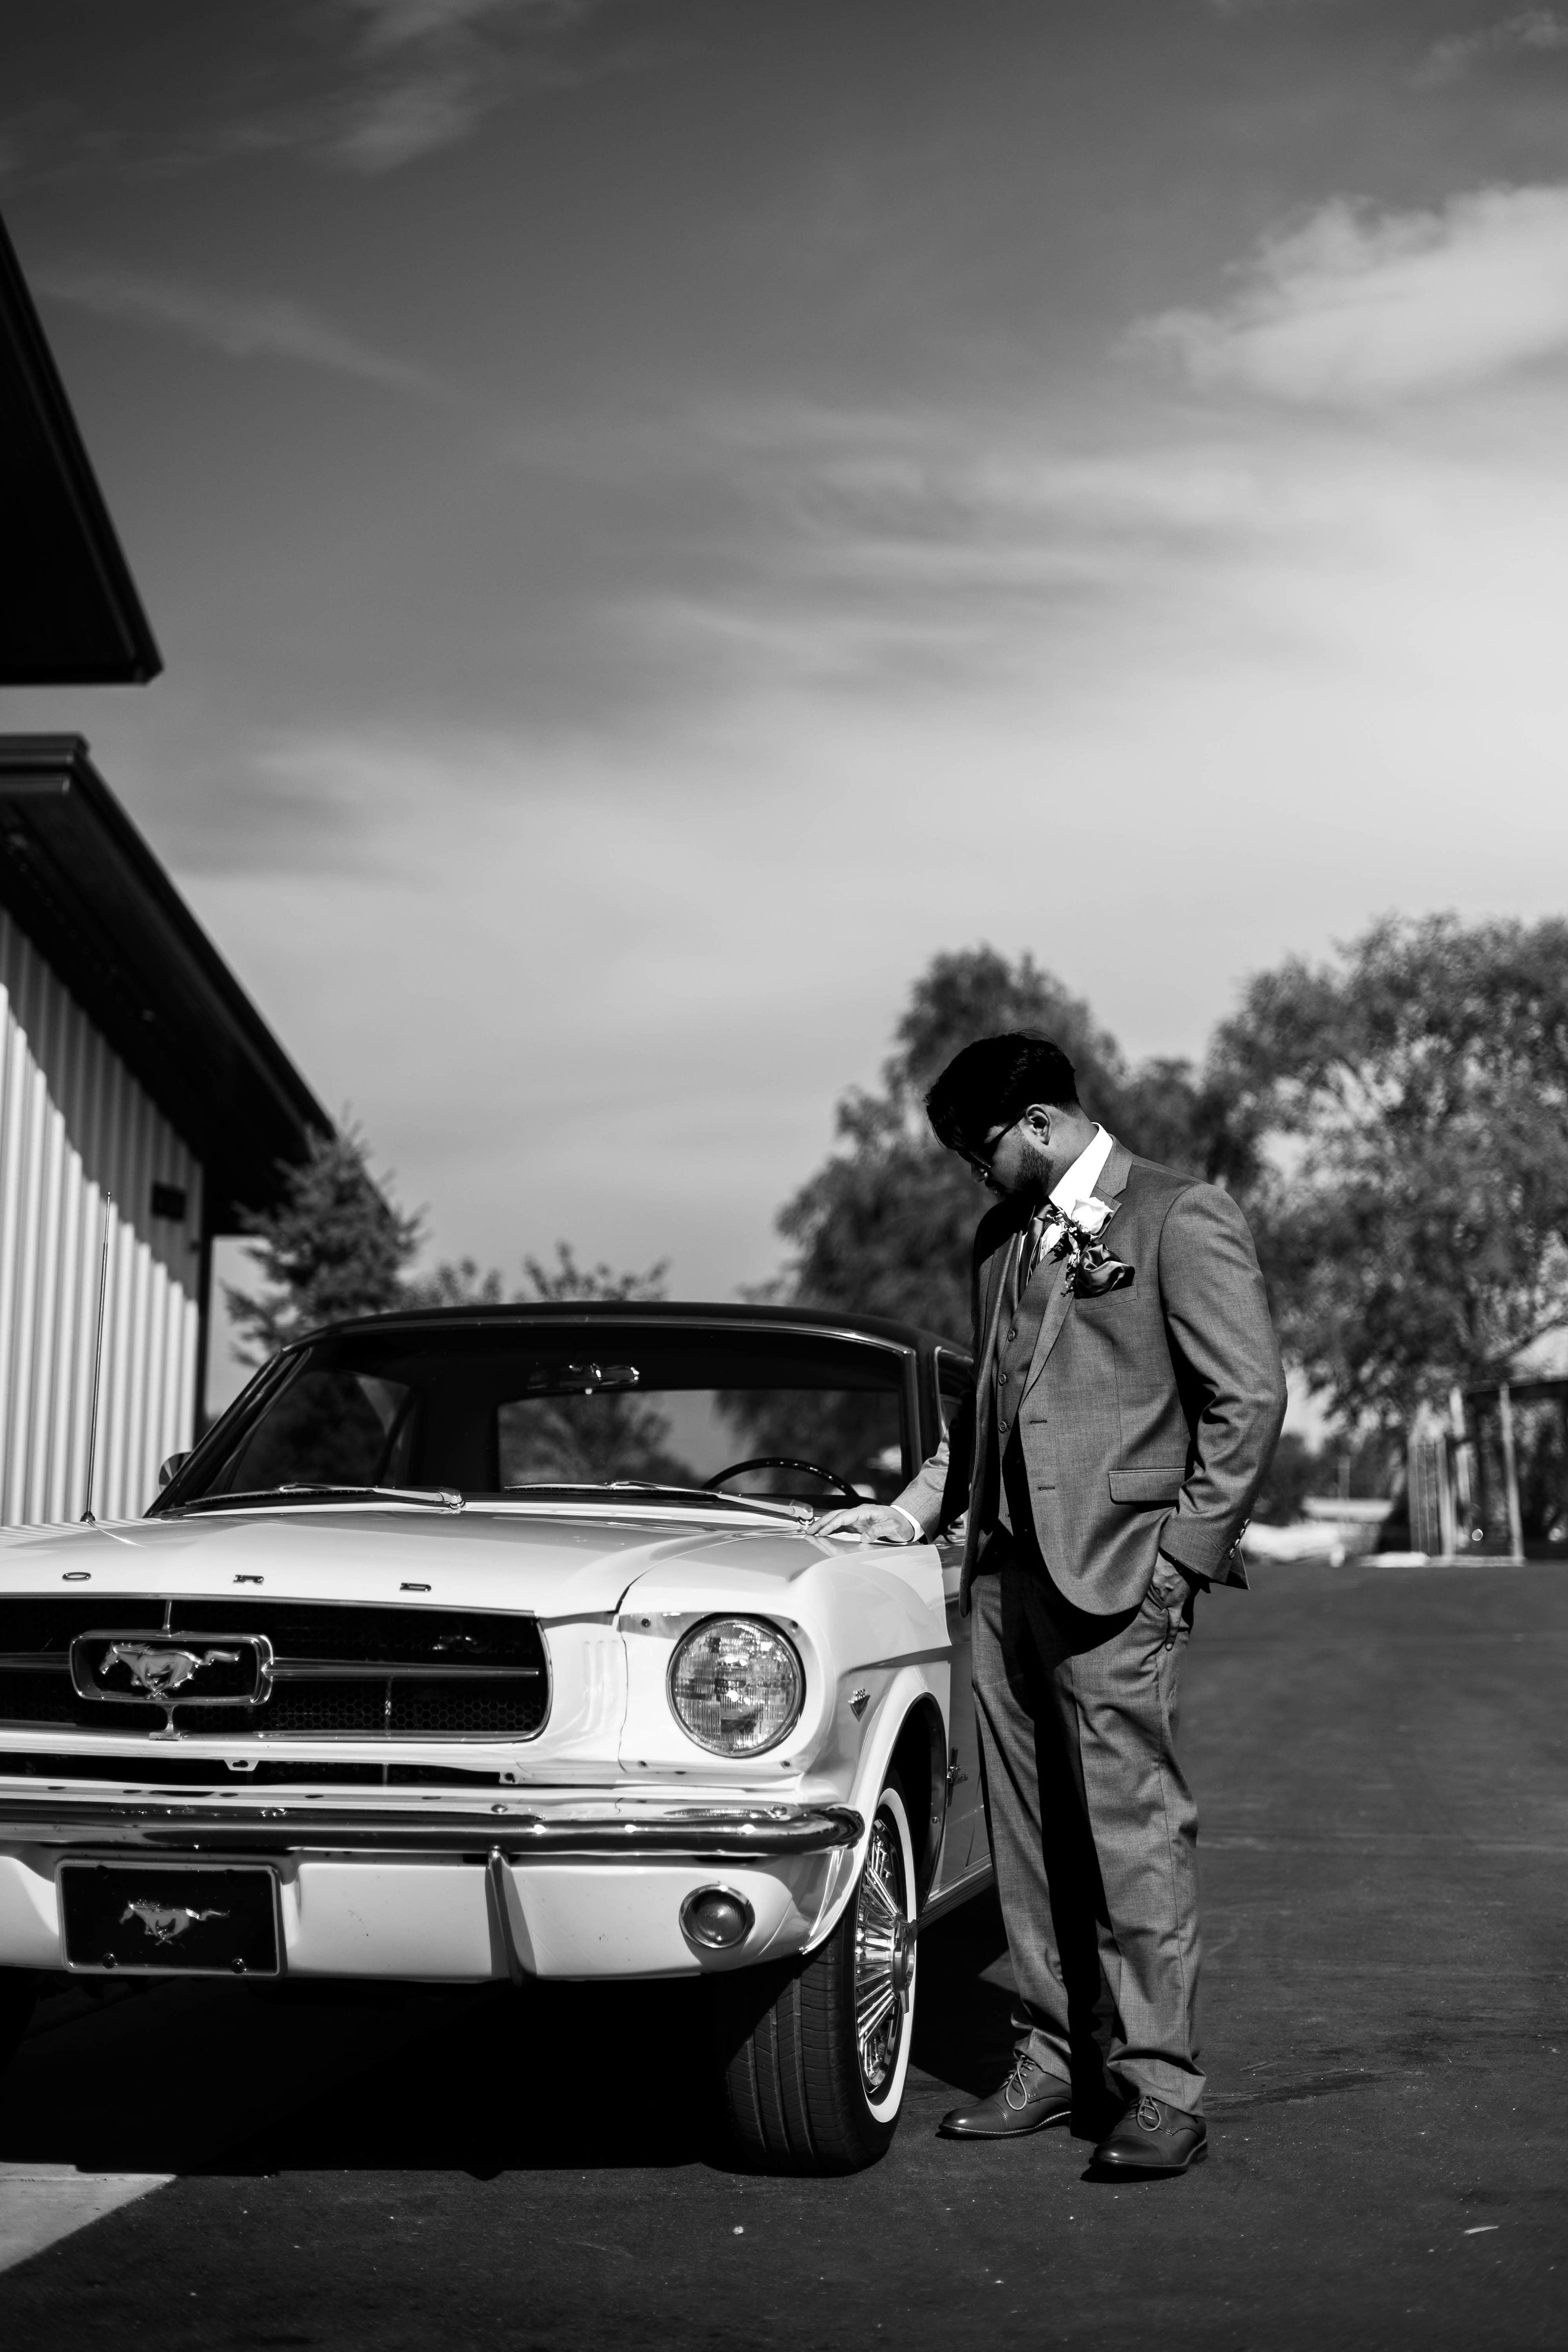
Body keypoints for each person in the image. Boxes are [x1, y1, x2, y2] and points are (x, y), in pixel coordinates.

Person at [813, 1031, 1285, 2176]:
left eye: (982, 1149)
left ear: (1039, 1123)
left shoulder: (1179, 1215)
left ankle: (1161, 2089)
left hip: (1120, 1579)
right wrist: (910, 1514)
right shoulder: (1000, 1241)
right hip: (1006, 1584)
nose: (976, 1173)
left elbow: (1249, 1396)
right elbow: (985, 1409)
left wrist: (1181, 1561)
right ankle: (1052, 2056)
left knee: (1134, 1837)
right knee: (1026, 1841)